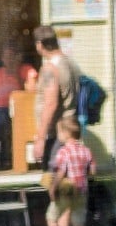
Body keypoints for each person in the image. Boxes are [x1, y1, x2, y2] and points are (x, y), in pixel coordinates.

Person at [0, 42, 37, 169]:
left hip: (15, 110)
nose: (7, 60)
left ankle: (0, 160)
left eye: (11, 56)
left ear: (18, 57)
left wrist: (15, 72)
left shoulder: (26, 70)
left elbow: (31, 91)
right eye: (5, 57)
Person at [32, 25, 80, 169]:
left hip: (57, 136)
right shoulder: (69, 63)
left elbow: (50, 104)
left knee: (54, 183)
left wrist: (40, 139)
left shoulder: (50, 68)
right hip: (69, 131)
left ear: (40, 44)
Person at [46, 116, 96, 226]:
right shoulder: (86, 151)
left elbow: (61, 173)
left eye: (59, 133)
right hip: (82, 192)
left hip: (66, 191)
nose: (58, 136)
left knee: (51, 217)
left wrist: (53, 187)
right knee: (78, 222)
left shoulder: (63, 152)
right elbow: (93, 171)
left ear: (66, 134)